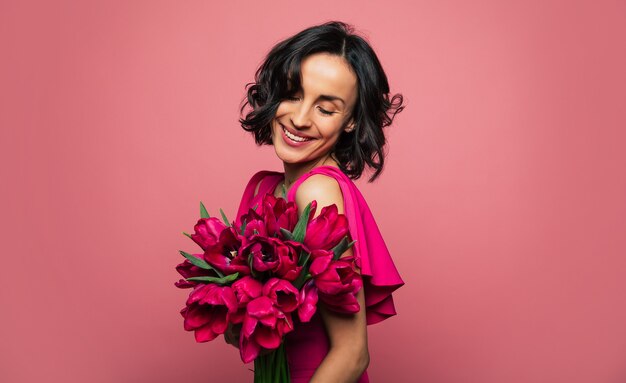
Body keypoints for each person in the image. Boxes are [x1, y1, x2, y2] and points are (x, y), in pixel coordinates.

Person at [225, 20, 405, 382]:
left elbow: (353, 353)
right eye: (293, 94)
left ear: (351, 121)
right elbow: (243, 333)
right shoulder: (261, 189)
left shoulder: (317, 192)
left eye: (325, 109)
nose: (300, 118)